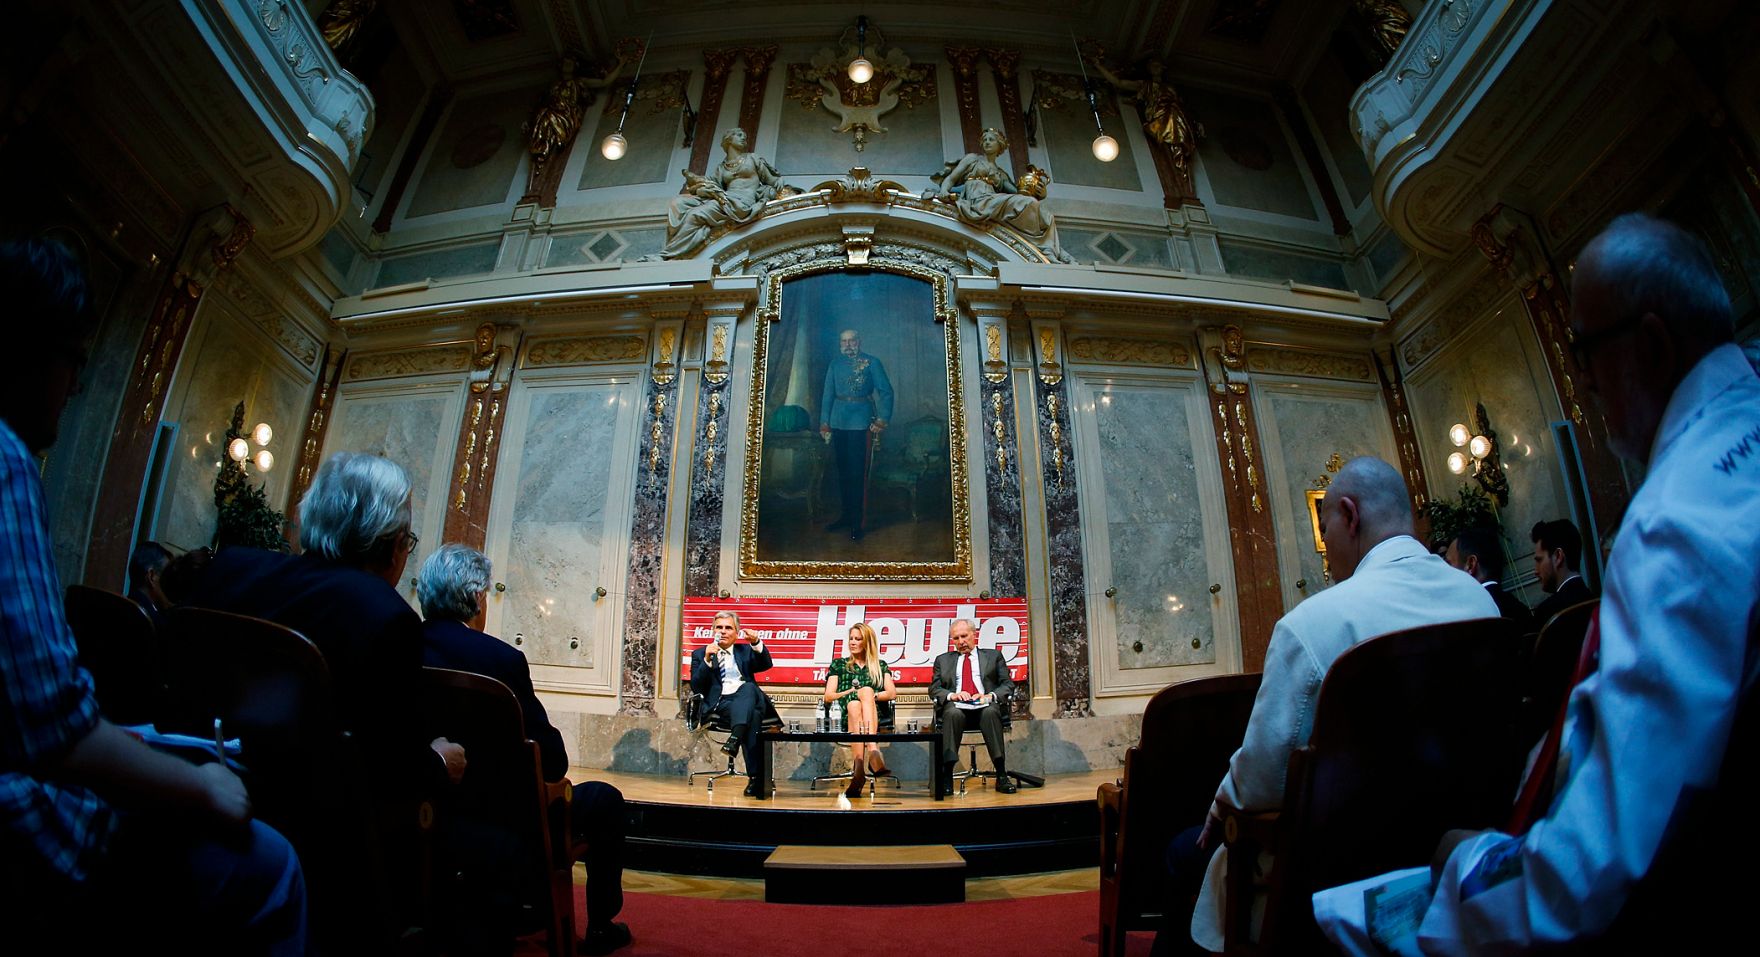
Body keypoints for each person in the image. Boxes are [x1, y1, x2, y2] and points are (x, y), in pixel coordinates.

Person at [1311, 213, 1760, 953]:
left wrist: (1467, 861)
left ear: (1649, 345)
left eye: (1584, 353)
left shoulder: (1673, 521)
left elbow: (1590, 870)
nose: (1581, 384)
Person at [0, 236, 306, 954]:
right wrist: (197, 789)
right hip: (24, 832)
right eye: (74, 357)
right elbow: (56, 735)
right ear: (27, 352)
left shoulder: (231, 575)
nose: (76, 383)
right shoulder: (9, 463)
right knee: (272, 863)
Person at [1170, 457, 1498, 954]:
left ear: (1350, 516)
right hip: (1442, 850)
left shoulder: (1314, 626)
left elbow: (1261, 778)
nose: (1326, 553)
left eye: (1325, 531)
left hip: (1328, 874)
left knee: (1182, 853)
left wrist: (1223, 802)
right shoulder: (1481, 606)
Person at [179, 451, 466, 945]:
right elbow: (389, 764)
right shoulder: (385, 615)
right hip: (327, 848)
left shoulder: (229, 570)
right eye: (407, 539)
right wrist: (438, 763)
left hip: (199, 806)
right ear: (392, 544)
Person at [417, 544, 630, 955]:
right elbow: (551, 759)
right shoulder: (502, 659)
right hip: (509, 820)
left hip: (433, 811)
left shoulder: (401, 647)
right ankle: (601, 926)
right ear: (477, 597)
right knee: (605, 799)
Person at [924, 128, 1072, 262]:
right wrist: (944, 190)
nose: (987, 142)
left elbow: (1020, 195)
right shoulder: (972, 159)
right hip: (978, 201)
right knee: (1029, 204)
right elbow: (951, 178)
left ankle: (1047, 250)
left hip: (992, 202)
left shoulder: (1001, 174)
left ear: (999, 145)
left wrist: (1041, 194)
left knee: (1038, 209)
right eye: (985, 140)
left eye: (991, 140)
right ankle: (1044, 248)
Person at [654, 128, 784, 259]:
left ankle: (668, 255)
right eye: (739, 135)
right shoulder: (722, 167)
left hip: (742, 202)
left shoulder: (752, 158)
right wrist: (698, 184)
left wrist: (778, 182)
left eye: (744, 136)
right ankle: (675, 242)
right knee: (679, 202)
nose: (743, 138)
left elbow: (771, 180)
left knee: (694, 215)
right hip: (724, 198)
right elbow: (712, 185)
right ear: (728, 140)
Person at [818, 329, 894, 541]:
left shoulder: (872, 362)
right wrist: (825, 423)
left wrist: (882, 419)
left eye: (852, 341)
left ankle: (857, 522)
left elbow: (886, 391)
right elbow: (827, 395)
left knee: (857, 474)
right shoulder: (834, 364)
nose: (848, 344)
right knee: (842, 473)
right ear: (840, 343)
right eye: (844, 341)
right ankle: (845, 516)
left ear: (859, 342)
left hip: (861, 423)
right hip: (838, 421)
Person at [688, 611, 772, 798]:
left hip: (744, 700)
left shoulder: (745, 651)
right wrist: (707, 661)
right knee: (754, 716)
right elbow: (697, 686)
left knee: (749, 688)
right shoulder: (700, 653)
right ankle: (756, 778)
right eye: (719, 627)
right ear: (713, 630)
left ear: (736, 632)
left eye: (728, 628)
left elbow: (766, 664)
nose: (724, 631)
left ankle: (735, 739)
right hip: (720, 704)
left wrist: (756, 642)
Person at [929, 618, 1017, 795]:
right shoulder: (943, 660)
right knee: (952, 713)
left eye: (964, 636)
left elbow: (1007, 684)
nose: (961, 642)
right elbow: (934, 689)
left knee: (991, 711)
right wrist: (952, 695)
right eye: (955, 638)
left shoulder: (993, 656)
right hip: (957, 707)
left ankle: (1001, 774)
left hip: (984, 706)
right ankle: (947, 775)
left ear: (974, 635)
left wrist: (988, 696)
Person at [1090, 58, 1199, 199]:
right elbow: (1118, 82)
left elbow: (1183, 105)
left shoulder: (1171, 87)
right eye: (1152, 65)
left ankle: (1182, 172)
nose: (1155, 67)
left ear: (1163, 67)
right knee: (1171, 143)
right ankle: (1180, 171)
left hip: (1176, 115)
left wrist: (1195, 123)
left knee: (1179, 146)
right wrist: (1098, 65)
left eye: (1158, 64)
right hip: (1159, 118)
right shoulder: (1145, 85)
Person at [822, 621, 898, 799]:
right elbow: (828, 696)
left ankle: (858, 773)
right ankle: (873, 750)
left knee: (866, 692)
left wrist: (871, 696)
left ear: (867, 642)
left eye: (858, 639)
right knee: (854, 703)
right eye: (851, 638)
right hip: (845, 712)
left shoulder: (880, 665)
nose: (853, 642)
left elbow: (892, 693)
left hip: (874, 712)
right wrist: (852, 692)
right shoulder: (839, 664)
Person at [1443, 525, 1535, 631]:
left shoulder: (1465, 616)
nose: (1444, 570)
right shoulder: (1521, 609)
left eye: (1448, 564)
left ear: (1471, 564)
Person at [1530, 517, 1592, 625]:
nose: (1535, 571)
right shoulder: (1599, 602)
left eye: (1539, 560)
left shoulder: (1547, 613)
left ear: (1558, 557)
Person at [126, 539, 174, 622]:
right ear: (151, 576)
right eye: (169, 577)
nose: (173, 585)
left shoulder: (120, 605)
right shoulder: (155, 624)